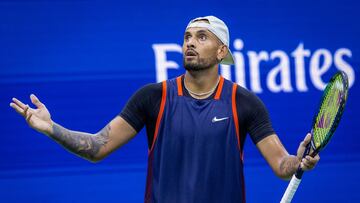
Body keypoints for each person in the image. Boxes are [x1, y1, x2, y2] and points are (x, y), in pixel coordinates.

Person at [10, 16, 319, 203]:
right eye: (187, 37)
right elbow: (96, 147)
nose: (190, 43)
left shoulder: (244, 102)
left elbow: (281, 166)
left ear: (221, 51)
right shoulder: (153, 97)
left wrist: (299, 162)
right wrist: (51, 128)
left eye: (201, 37)